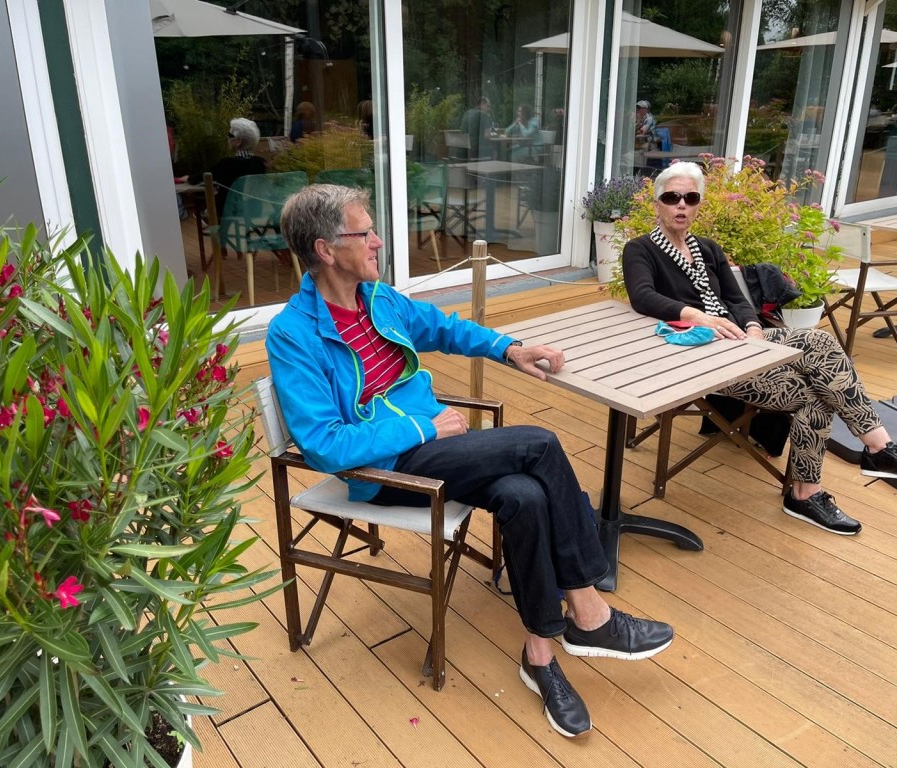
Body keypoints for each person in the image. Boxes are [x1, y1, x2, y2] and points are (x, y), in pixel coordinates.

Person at [266, 184, 675, 738]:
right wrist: (422, 427)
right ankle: (589, 612)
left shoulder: (378, 299)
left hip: (439, 451)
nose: (378, 241)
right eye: (365, 233)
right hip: (385, 470)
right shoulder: (293, 334)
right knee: (540, 444)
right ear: (325, 249)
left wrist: (509, 348)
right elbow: (323, 444)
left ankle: (539, 654)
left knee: (524, 495)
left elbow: (444, 328)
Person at [621, 162, 897, 536]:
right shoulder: (640, 249)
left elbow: (735, 299)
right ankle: (863, 459)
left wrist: (754, 328)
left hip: (741, 341)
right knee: (818, 369)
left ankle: (818, 486)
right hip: (700, 355)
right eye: (672, 197)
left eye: (690, 198)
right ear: (657, 203)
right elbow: (642, 296)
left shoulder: (707, 248)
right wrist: (699, 317)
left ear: (698, 205)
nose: (681, 204)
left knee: (818, 367)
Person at [182, 117, 266, 218]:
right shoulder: (260, 163)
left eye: (230, 135)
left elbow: (204, 177)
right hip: (254, 210)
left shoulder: (227, 164)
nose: (228, 138)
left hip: (228, 211)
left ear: (238, 141)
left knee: (201, 211)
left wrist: (189, 178)